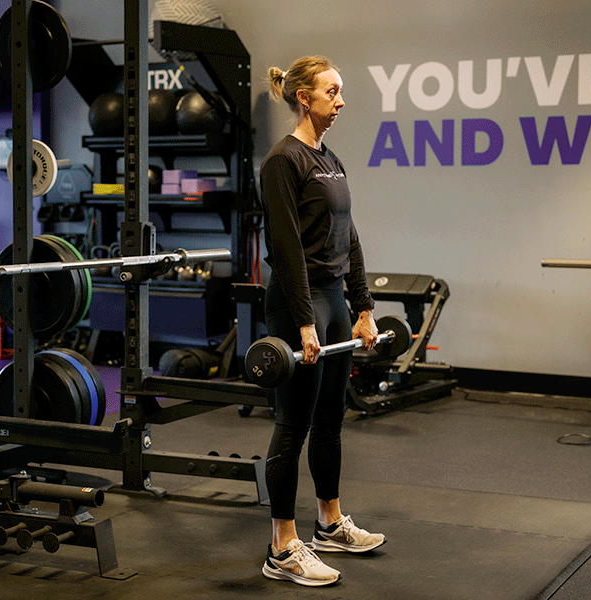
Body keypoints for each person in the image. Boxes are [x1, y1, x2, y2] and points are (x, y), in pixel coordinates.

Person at [258, 55, 386, 587]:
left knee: (331, 418)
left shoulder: (331, 160)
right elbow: (286, 247)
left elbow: (348, 237)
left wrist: (363, 307)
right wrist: (305, 322)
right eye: (331, 92)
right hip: (298, 303)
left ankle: (330, 523)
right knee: (294, 423)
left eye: (341, 91)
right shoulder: (282, 161)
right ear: (303, 97)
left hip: (334, 301)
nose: (341, 101)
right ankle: (282, 546)